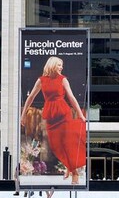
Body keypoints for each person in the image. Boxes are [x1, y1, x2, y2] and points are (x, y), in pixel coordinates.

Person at [20, 56, 87, 185]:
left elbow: (71, 97)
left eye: (62, 65)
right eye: (59, 65)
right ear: (52, 65)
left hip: (63, 113)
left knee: (67, 143)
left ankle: (74, 173)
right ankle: (69, 166)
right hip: (50, 115)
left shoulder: (63, 80)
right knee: (56, 146)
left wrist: (80, 114)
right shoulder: (41, 80)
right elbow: (30, 98)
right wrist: (23, 115)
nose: (61, 67)